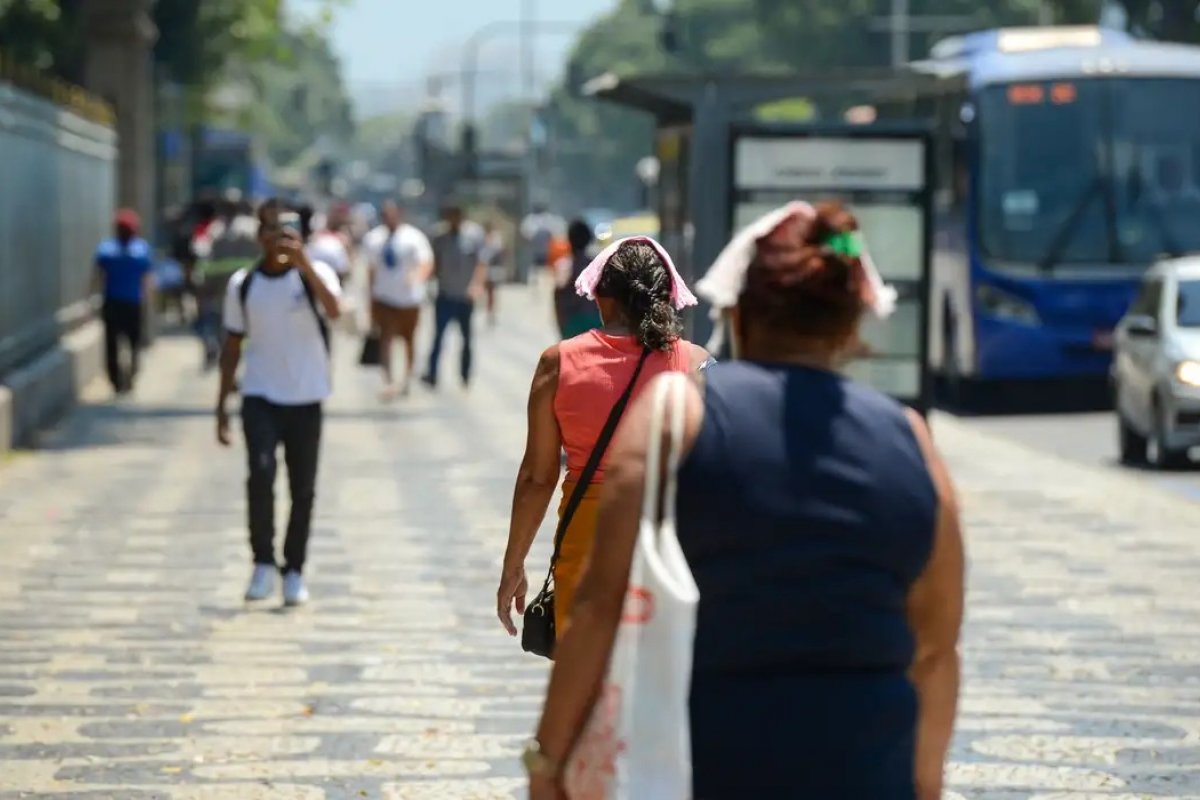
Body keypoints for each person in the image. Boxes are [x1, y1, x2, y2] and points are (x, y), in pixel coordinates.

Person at [525, 202, 964, 799]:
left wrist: (549, 762)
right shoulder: (912, 440)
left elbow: (601, 607)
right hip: (865, 767)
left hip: (712, 762)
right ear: (851, 323)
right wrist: (925, 785)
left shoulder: (675, 417)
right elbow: (936, 649)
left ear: (739, 309)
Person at [496, 236, 708, 640]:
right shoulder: (697, 365)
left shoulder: (557, 363)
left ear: (602, 298)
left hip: (588, 540)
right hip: (669, 540)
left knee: (587, 677)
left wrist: (514, 565)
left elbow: (537, 479)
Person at [215, 198, 343, 607]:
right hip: (260, 395)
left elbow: (336, 310)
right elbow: (232, 344)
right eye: (270, 229)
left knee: (302, 488)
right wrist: (221, 404)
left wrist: (304, 264)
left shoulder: (315, 274)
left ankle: (294, 570)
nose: (278, 238)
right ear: (259, 235)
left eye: (286, 230)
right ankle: (263, 563)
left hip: (306, 396)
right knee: (260, 474)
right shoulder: (243, 284)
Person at [364, 201, 434, 399]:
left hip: (409, 300)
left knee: (408, 339)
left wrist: (417, 277)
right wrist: (370, 300)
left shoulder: (413, 237)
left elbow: (426, 262)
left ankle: (407, 378)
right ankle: (388, 380)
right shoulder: (374, 239)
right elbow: (370, 271)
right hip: (384, 298)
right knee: (385, 339)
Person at [422, 204, 486, 389]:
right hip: (445, 294)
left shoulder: (473, 235)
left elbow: (481, 264)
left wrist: (476, 286)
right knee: (438, 337)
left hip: (465, 297)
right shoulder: (439, 237)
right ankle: (432, 374)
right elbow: (433, 262)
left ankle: (465, 374)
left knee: (466, 339)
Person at [93, 209, 154, 394]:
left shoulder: (106, 250)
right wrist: (149, 302)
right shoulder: (141, 249)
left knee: (113, 343)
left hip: (113, 302)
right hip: (132, 302)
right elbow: (147, 279)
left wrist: (92, 298)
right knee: (133, 341)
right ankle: (130, 373)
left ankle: (116, 380)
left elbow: (97, 277)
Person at [553, 220, 603, 339]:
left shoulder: (564, 266)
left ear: (569, 240)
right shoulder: (597, 264)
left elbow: (558, 293)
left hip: (571, 325)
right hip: (595, 323)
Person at [300, 205, 353, 287]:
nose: (335, 218)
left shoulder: (344, 237)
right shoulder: (317, 234)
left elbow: (346, 267)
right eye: (334, 215)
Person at [480, 220, 507, 326]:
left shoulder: (496, 239)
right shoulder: (481, 238)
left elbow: (500, 252)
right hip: (484, 267)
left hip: (493, 268)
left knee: (492, 292)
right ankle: (487, 310)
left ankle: (491, 312)